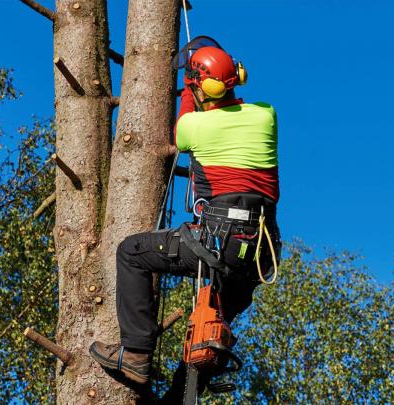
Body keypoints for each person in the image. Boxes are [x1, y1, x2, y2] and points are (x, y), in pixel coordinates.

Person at [89, 37, 281, 400]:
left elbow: (183, 127)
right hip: (258, 255)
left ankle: (135, 354)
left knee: (131, 253)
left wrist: (188, 88)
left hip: (221, 243)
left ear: (201, 88)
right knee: (209, 335)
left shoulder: (196, 128)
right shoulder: (266, 115)